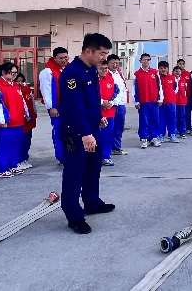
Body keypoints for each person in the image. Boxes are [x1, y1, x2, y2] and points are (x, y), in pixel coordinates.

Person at [59, 33, 115, 234]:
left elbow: (91, 98)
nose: (104, 58)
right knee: (74, 172)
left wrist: (99, 115)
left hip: (92, 127)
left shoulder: (90, 69)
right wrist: (84, 133)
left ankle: (92, 202)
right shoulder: (72, 74)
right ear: (88, 50)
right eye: (102, 53)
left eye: (106, 54)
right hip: (76, 131)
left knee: (93, 167)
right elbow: (74, 107)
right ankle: (74, 216)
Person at [0, 63, 29, 178]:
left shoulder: (15, 85)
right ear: (3, 72)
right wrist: (1, 120)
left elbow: (22, 101)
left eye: (16, 73)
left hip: (18, 121)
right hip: (5, 123)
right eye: (12, 73)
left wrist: (26, 113)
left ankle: (13, 165)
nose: (15, 75)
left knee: (16, 144)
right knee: (3, 146)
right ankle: (1, 169)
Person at [39, 47, 70, 164]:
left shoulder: (69, 69)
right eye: (61, 58)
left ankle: (70, 153)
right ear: (54, 58)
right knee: (59, 130)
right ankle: (61, 156)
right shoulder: (48, 72)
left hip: (69, 107)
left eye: (65, 57)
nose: (64, 60)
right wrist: (51, 107)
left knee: (71, 131)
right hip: (57, 107)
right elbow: (46, 90)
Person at [134, 53, 162, 148]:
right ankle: (144, 139)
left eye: (148, 59)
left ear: (150, 61)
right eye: (144, 59)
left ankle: (153, 137)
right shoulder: (137, 74)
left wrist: (160, 98)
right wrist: (136, 101)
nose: (146, 61)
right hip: (143, 101)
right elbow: (134, 88)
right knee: (144, 120)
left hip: (154, 100)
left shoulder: (155, 72)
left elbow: (159, 86)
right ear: (141, 61)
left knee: (154, 120)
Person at [97, 59, 120, 166]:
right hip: (96, 112)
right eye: (101, 68)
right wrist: (101, 102)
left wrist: (111, 102)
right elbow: (89, 94)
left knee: (107, 135)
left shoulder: (110, 78)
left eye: (106, 68)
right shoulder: (92, 80)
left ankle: (105, 156)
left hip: (110, 112)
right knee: (96, 135)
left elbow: (117, 91)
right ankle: (95, 157)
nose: (104, 70)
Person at [107, 54, 129, 156]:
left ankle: (116, 147)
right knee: (110, 127)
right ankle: (108, 148)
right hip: (111, 105)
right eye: (113, 63)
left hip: (121, 105)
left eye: (117, 63)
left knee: (119, 127)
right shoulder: (106, 74)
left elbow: (123, 89)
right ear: (108, 63)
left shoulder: (119, 73)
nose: (115, 65)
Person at [15, 73, 36, 170]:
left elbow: (32, 103)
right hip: (19, 119)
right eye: (17, 81)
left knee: (27, 140)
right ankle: (18, 160)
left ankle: (24, 159)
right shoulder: (14, 90)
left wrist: (34, 115)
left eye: (21, 81)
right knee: (19, 141)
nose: (19, 83)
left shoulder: (27, 89)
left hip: (29, 119)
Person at [158, 61, 179, 143]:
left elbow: (175, 89)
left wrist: (171, 95)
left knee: (172, 118)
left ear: (168, 69)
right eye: (161, 68)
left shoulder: (172, 78)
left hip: (171, 102)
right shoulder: (157, 77)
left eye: (165, 68)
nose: (163, 69)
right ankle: (161, 135)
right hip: (160, 102)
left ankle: (172, 135)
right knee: (161, 119)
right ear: (158, 69)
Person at [177, 59, 192, 134]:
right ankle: (177, 128)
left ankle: (188, 127)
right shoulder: (174, 74)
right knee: (178, 114)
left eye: (183, 64)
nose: (181, 65)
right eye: (180, 64)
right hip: (177, 98)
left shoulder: (188, 74)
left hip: (188, 97)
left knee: (187, 113)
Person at [173, 66, 188, 139]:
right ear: (173, 72)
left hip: (182, 101)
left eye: (179, 71)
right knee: (174, 117)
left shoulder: (183, 80)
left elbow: (185, 90)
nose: (177, 72)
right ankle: (174, 132)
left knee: (182, 117)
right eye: (176, 71)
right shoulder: (171, 79)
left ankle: (182, 132)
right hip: (173, 101)